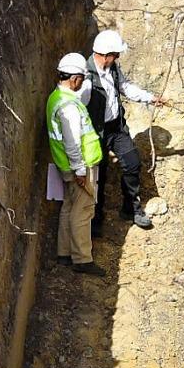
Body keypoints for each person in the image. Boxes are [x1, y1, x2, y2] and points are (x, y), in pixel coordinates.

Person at [81, 29, 172, 232]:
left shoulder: (112, 69)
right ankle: (95, 218)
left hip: (116, 127)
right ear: (105, 54)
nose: (118, 58)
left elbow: (125, 87)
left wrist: (150, 97)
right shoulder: (86, 77)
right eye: (116, 54)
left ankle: (131, 209)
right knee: (98, 174)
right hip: (96, 132)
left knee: (132, 163)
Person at [47, 52, 105, 276]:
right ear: (74, 79)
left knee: (69, 207)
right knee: (83, 211)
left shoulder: (56, 98)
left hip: (66, 166)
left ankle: (64, 254)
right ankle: (82, 259)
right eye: (81, 79)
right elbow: (72, 141)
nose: (82, 83)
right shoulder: (68, 106)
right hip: (79, 166)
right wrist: (80, 170)